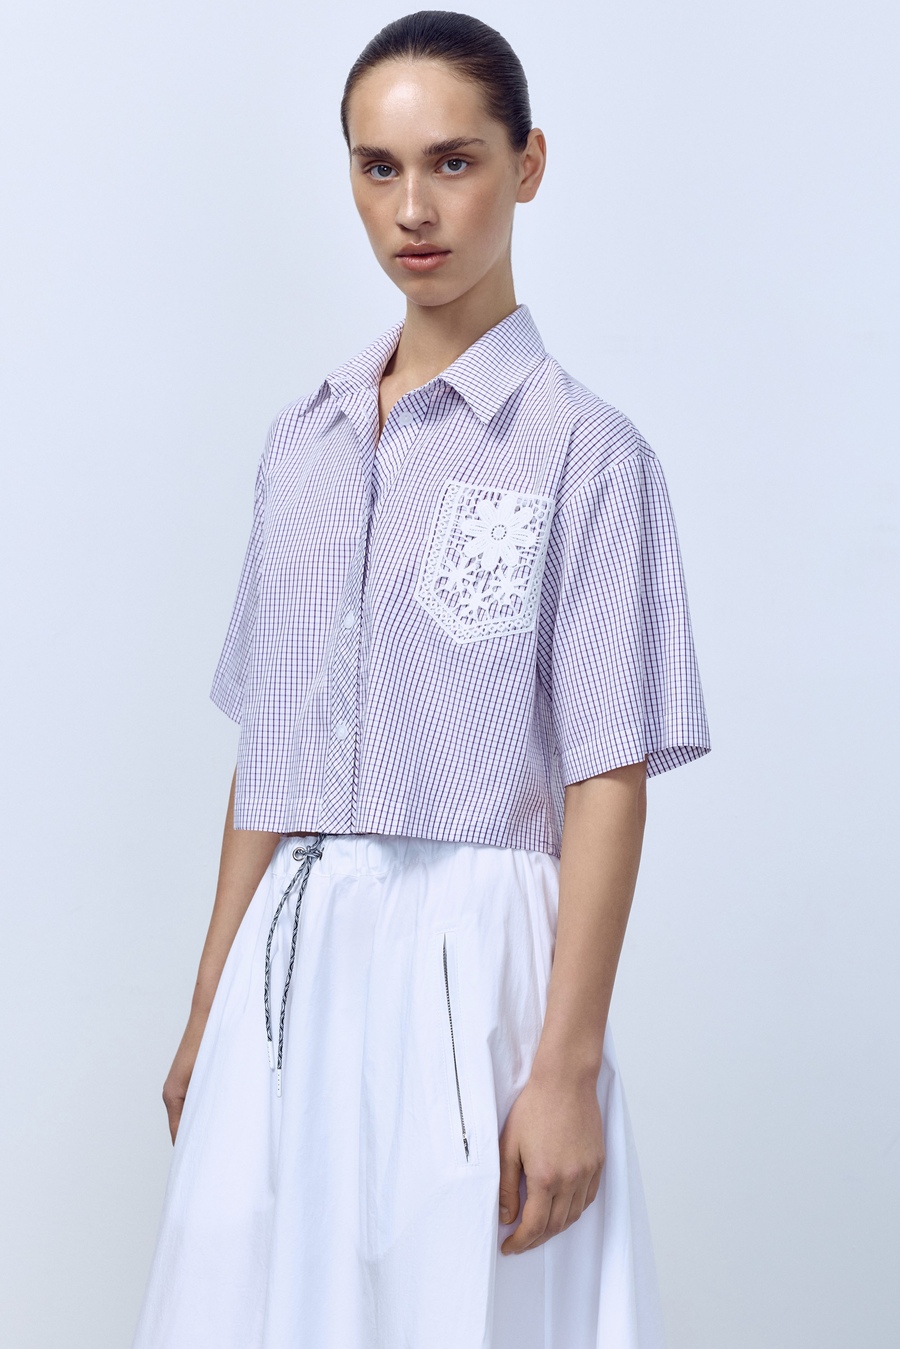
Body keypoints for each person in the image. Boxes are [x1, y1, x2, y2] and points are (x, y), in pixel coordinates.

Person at [130, 10, 710, 1348]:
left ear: (528, 164)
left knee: (464, 1309)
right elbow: (269, 748)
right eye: (378, 167)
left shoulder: (590, 454)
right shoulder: (304, 440)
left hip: (475, 954)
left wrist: (565, 1067)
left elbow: (608, 777)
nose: (414, 210)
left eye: (454, 161)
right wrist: (210, 1007)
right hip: (290, 960)